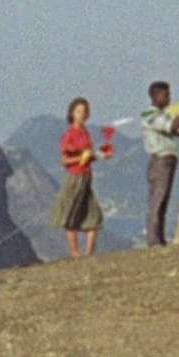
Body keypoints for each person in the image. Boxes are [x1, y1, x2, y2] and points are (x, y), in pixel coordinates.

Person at [140, 82, 179, 247]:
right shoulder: (149, 114)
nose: (169, 98)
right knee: (157, 201)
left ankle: (160, 237)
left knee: (163, 200)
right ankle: (153, 239)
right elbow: (174, 125)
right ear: (155, 96)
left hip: (168, 159)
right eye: (166, 95)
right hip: (160, 160)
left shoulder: (163, 113)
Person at [47, 97, 105, 257]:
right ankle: (75, 252)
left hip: (86, 176)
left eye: (85, 111)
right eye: (79, 111)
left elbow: (88, 156)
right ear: (72, 113)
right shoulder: (69, 134)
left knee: (94, 215)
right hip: (74, 177)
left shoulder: (85, 133)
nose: (82, 114)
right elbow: (64, 160)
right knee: (70, 213)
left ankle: (89, 252)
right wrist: (81, 158)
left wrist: (100, 155)